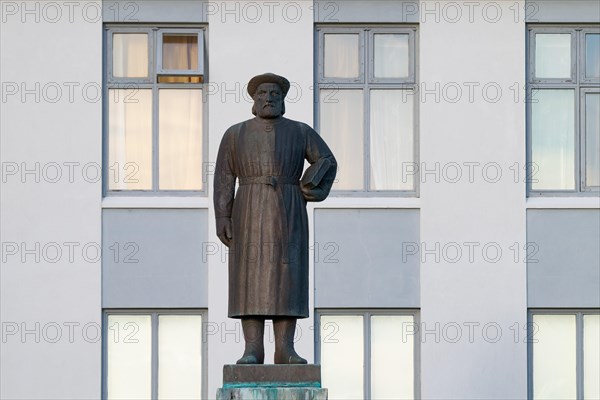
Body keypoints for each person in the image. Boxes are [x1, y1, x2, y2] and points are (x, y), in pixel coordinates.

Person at [214, 73, 337, 364]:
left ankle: (286, 348)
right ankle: (252, 350)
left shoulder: (300, 131)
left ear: (282, 100)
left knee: (288, 278)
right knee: (249, 280)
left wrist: (309, 184)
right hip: (248, 208)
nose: (268, 98)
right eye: (262, 94)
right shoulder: (236, 134)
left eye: (274, 94)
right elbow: (223, 177)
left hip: (289, 208)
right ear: (253, 101)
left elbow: (326, 159)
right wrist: (223, 215)